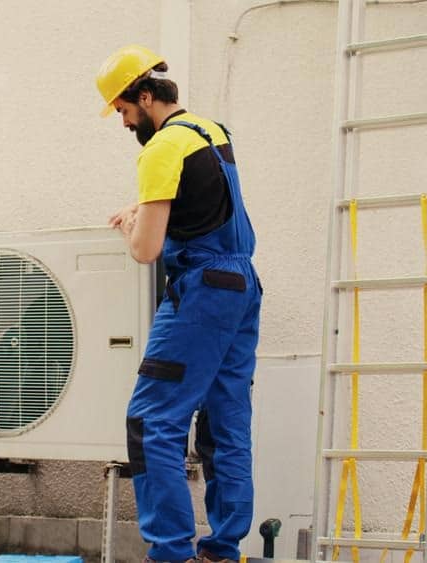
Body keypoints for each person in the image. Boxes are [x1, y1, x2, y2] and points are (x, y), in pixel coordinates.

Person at [96, 45, 262, 563]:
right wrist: (142, 208)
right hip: (242, 285)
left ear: (145, 97)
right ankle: (221, 549)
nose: (124, 122)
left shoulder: (160, 149)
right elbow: (198, 203)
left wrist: (129, 227)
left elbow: (146, 251)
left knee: (152, 420)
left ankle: (170, 553)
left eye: (124, 110)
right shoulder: (212, 132)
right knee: (224, 420)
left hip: (202, 291)